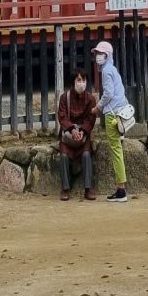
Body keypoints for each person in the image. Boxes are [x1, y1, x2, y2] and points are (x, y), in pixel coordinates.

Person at [93, 41, 130, 202]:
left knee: (115, 150)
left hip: (111, 114)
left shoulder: (106, 71)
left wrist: (98, 107)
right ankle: (120, 188)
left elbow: (108, 93)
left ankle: (121, 189)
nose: (98, 56)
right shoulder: (113, 69)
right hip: (121, 111)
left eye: (101, 54)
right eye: (97, 53)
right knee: (117, 148)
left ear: (107, 55)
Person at [57, 68, 98, 201]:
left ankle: (88, 188)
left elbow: (91, 119)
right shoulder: (64, 98)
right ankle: (65, 189)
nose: (82, 83)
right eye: (79, 80)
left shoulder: (90, 99)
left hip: (83, 134)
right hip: (68, 134)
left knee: (86, 155)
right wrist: (72, 129)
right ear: (73, 82)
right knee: (63, 156)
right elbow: (62, 117)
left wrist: (82, 131)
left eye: (84, 80)